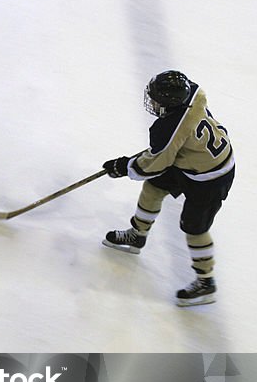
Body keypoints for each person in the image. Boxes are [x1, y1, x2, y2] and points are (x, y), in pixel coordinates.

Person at [101, 70, 235, 306]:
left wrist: (123, 166)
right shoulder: (192, 93)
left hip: (212, 179)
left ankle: (206, 283)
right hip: (193, 160)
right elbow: (166, 154)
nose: (152, 102)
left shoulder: (168, 129)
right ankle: (137, 235)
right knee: (154, 187)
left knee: (194, 227)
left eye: (157, 99)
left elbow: (153, 164)